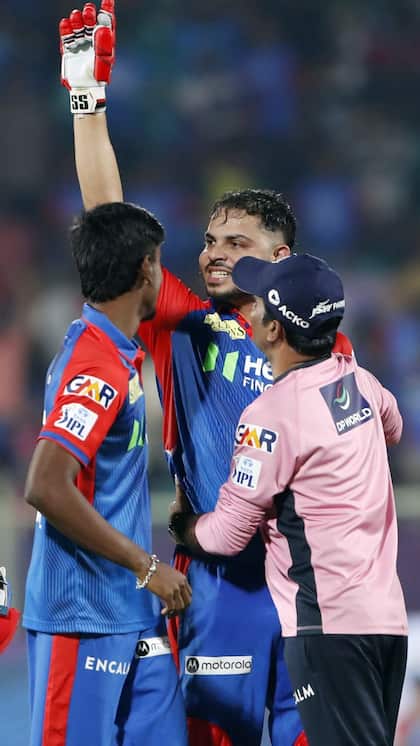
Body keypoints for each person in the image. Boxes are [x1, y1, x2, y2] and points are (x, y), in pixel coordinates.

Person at [58, 6, 352, 743]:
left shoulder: (332, 347)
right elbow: (112, 221)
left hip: (308, 590)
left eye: (236, 243)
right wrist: (87, 103)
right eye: (211, 240)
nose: (214, 253)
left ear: (280, 259)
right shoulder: (188, 325)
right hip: (217, 590)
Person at [170, 252, 408, 746]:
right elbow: (393, 425)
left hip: (327, 630)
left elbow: (229, 534)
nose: (249, 310)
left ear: (275, 330)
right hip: (385, 622)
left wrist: (185, 527)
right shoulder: (354, 384)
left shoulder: (272, 414)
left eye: (257, 303)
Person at [22, 202, 191, 746]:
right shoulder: (95, 366)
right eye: (159, 262)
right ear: (145, 269)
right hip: (82, 615)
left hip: (130, 611)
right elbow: (45, 484)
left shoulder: (114, 352)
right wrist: (146, 566)